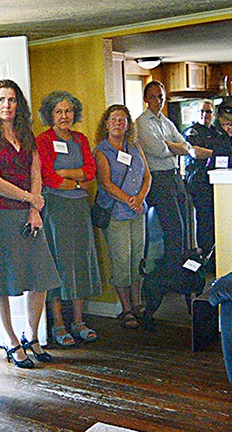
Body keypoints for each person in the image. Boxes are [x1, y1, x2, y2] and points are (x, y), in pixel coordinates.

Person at [0, 79, 60, 367]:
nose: (7, 105)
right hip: (2, 215)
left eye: (12, 100)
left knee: (41, 278)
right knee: (3, 281)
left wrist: (34, 207)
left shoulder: (27, 134)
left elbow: (36, 171)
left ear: (18, 104)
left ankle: (31, 336)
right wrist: (30, 199)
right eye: (1, 100)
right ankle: (10, 341)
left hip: (30, 214)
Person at [36, 90, 103, 346]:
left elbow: (90, 171)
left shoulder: (81, 139)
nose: (64, 116)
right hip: (55, 208)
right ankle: (58, 324)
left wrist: (67, 174)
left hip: (79, 209)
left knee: (81, 261)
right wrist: (76, 183)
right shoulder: (43, 140)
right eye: (59, 111)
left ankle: (79, 320)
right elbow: (47, 175)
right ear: (50, 115)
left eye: (68, 111)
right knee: (58, 262)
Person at [94, 105, 152, 328]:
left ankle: (137, 303)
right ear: (106, 124)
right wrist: (131, 200)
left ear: (128, 124)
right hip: (116, 214)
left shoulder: (135, 146)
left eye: (122, 119)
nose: (118, 123)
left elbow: (147, 176)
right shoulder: (101, 151)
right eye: (114, 119)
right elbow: (105, 183)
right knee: (121, 261)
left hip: (138, 212)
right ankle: (126, 308)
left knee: (137, 258)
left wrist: (140, 198)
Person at [134, 80, 194, 267]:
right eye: (153, 97)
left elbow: (187, 147)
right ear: (145, 99)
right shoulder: (142, 123)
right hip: (158, 179)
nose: (158, 101)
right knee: (173, 227)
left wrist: (171, 145)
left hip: (175, 176)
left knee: (184, 225)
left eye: (160, 96)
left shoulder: (166, 122)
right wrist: (173, 146)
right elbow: (159, 150)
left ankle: (182, 269)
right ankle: (172, 271)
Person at [183, 99, 219, 254]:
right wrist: (215, 153)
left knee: (216, 220)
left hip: (215, 181)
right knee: (204, 221)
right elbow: (195, 152)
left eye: (208, 111)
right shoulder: (192, 131)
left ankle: (215, 256)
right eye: (202, 111)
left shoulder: (217, 132)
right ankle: (205, 255)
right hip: (198, 182)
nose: (205, 115)